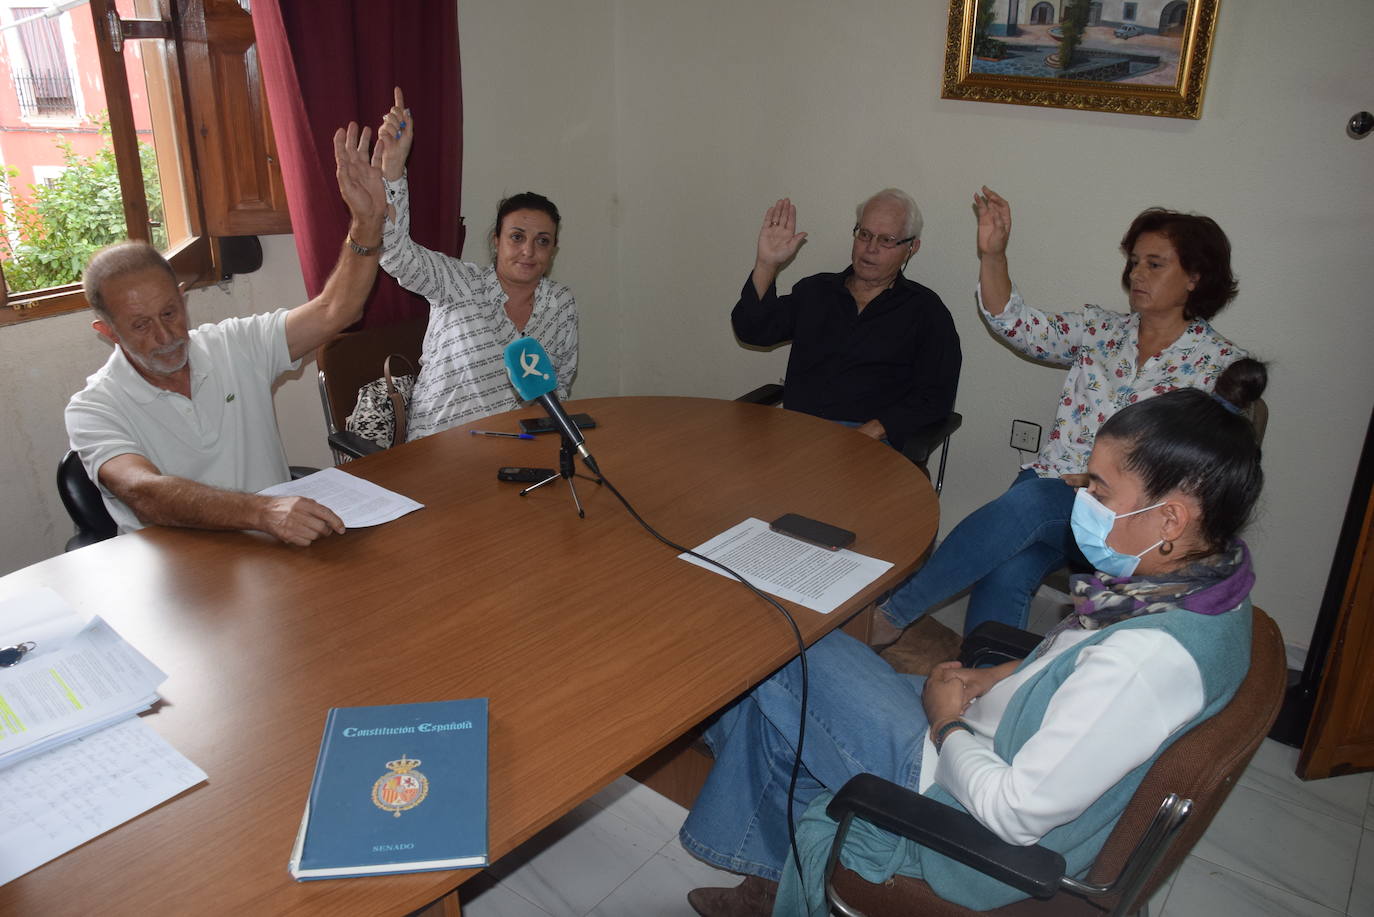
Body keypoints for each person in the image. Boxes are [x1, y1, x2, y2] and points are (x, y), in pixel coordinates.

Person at [681, 384, 1265, 915]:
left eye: (1099, 489)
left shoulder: (1144, 662)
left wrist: (944, 725)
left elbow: (1015, 814)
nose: (1079, 496)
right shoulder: (1207, 586)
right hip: (997, 737)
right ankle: (770, 879)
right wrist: (1005, 674)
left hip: (964, 813)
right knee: (793, 702)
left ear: (1169, 518)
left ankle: (766, 869)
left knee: (787, 653)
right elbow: (1083, 667)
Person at [878, 188, 1249, 637]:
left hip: (1124, 519)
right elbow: (1015, 325)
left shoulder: (1217, 367)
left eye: (1154, 263)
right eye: (1134, 261)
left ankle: (891, 617)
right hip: (1051, 494)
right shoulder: (1100, 330)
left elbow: (1212, 477)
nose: (1136, 273)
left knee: (1029, 503)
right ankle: (986, 681)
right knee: (1008, 566)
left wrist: (1107, 485)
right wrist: (993, 255)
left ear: (1195, 276)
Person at [65, 122, 390, 546]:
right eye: (140, 325)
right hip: (178, 578)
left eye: (170, 312)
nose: (165, 336)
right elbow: (142, 492)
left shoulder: (234, 344)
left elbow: (337, 310)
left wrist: (367, 222)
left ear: (183, 300)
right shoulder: (94, 408)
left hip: (279, 555)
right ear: (106, 331)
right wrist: (260, 511)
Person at [376, 88, 577, 440]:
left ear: (553, 250)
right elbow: (396, 254)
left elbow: (557, 388)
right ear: (496, 241)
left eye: (542, 241)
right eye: (517, 237)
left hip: (514, 448)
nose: (528, 251)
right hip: (438, 449)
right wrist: (393, 168)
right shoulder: (457, 282)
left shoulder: (559, 304)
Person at [730, 191, 961, 452]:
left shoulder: (927, 312)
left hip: (870, 444)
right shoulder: (816, 291)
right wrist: (766, 264)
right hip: (799, 434)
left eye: (886, 240)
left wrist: (873, 430)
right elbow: (752, 330)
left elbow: (935, 397)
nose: (870, 248)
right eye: (864, 234)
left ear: (911, 248)